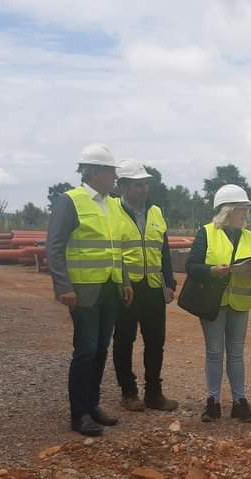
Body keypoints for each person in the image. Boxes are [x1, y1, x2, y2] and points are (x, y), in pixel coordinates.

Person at [46, 143, 134, 437]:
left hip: (109, 287)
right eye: (111, 172)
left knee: (100, 349)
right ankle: (79, 413)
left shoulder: (113, 204)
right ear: (94, 172)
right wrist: (63, 286)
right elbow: (55, 247)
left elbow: (116, 248)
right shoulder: (70, 201)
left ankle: (93, 404)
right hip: (83, 290)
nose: (115, 178)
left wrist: (124, 281)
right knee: (85, 350)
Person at [185, 184, 251, 423]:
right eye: (243, 209)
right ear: (228, 211)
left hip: (239, 303)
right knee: (214, 352)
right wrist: (212, 271)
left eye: (246, 210)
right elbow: (192, 266)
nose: (246, 214)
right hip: (214, 303)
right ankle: (213, 402)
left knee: (236, 353)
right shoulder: (207, 233)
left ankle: (239, 402)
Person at [112, 159, 179, 412]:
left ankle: (154, 393)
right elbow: (113, 253)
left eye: (145, 185)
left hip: (153, 287)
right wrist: (121, 282)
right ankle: (129, 392)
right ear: (124, 187)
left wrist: (169, 283)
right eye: (138, 185)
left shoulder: (156, 212)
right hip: (127, 288)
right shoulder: (112, 212)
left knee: (155, 342)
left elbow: (164, 252)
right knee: (124, 340)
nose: (144, 190)